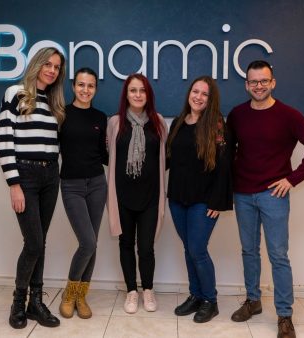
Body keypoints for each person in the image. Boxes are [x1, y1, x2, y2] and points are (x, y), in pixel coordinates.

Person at [227, 60, 304, 338]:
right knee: (249, 251)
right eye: (253, 82)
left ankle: (285, 315)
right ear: (246, 85)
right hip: (243, 194)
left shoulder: (289, 115)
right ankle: (253, 300)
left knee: (278, 256)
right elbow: (228, 151)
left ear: (272, 83)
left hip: (274, 195)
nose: (258, 86)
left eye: (264, 81)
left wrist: (292, 178)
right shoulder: (237, 115)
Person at [0, 47, 66, 329]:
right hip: (25, 175)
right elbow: (4, 140)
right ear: (36, 64)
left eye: (57, 67)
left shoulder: (54, 102)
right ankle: (18, 302)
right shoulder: (15, 93)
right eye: (47, 64)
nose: (51, 70)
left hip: (51, 175)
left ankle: (35, 303)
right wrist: (14, 184)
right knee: (34, 242)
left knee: (40, 241)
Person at [166, 76, 232, 323]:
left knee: (197, 249)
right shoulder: (178, 122)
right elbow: (168, 159)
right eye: (195, 91)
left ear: (211, 98)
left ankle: (210, 300)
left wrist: (217, 201)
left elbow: (224, 166)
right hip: (177, 199)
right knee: (189, 249)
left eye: (205, 94)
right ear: (189, 93)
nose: (199, 97)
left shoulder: (217, 125)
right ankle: (195, 295)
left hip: (203, 201)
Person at [106, 73, 167, 314]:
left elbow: (164, 159)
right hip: (122, 196)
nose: (138, 95)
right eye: (133, 90)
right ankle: (132, 291)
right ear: (126, 94)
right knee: (125, 244)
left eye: (142, 90)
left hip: (151, 197)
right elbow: (108, 155)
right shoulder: (115, 123)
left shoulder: (159, 122)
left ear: (148, 94)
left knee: (146, 247)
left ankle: (148, 290)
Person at [58, 67, 108, 319]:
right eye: (81, 85)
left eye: (90, 86)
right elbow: (50, 149)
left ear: (95, 89)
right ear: (73, 86)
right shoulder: (61, 114)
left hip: (98, 184)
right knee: (87, 242)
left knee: (92, 243)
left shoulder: (101, 117)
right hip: (71, 185)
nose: (85, 90)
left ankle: (81, 296)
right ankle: (69, 292)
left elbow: (105, 155)